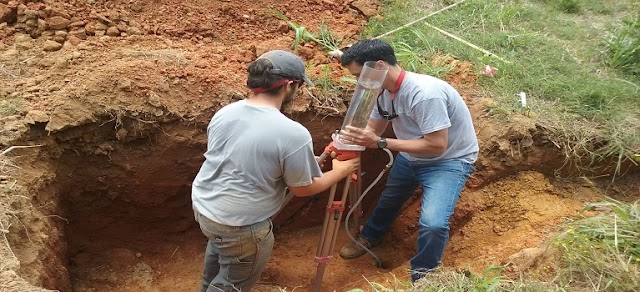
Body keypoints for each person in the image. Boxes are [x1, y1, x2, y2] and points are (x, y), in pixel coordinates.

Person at [191, 50, 360, 291]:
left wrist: (299, 161)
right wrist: (341, 171)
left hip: (206, 207)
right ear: (290, 85)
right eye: (299, 85)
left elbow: (239, 158)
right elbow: (303, 189)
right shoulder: (292, 133)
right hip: (240, 225)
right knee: (232, 284)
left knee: (221, 255)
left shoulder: (227, 112)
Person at [337, 39, 479, 282]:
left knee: (433, 223)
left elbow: (437, 145)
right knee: (390, 198)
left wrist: (381, 143)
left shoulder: (424, 95)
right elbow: (375, 127)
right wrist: (348, 139)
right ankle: (370, 235)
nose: (360, 82)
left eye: (361, 74)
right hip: (412, 154)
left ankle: (424, 277)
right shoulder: (382, 92)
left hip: (448, 161)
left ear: (380, 65)